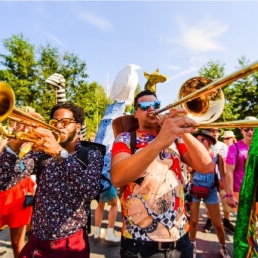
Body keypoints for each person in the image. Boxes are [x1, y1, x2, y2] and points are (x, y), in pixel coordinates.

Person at [111, 89, 216, 258]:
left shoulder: (175, 138)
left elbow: (207, 166)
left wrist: (181, 131)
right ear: (135, 113)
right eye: (145, 106)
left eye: (156, 105)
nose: (152, 109)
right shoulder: (125, 138)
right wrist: (160, 142)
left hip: (180, 237)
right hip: (139, 241)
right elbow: (117, 177)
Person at [0, 102, 104, 258]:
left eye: (66, 122)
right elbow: (4, 181)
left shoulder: (90, 154)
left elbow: (90, 191)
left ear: (77, 126)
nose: (59, 126)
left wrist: (59, 154)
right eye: (55, 122)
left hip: (70, 245)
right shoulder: (42, 154)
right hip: (36, 243)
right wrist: (15, 143)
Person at [189, 130, 231, 258]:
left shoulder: (216, 156)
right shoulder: (192, 155)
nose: (199, 142)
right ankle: (192, 246)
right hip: (195, 190)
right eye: (198, 139)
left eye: (203, 140)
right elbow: (189, 171)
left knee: (217, 223)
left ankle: (223, 247)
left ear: (209, 141)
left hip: (211, 190)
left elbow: (223, 175)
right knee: (194, 221)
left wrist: (229, 194)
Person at [226, 116, 257, 213]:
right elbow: (229, 172)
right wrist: (230, 195)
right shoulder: (234, 148)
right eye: (246, 129)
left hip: (256, 190)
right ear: (241, 130)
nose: (250, 132)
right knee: (243, 223)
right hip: (241, 191)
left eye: (253, 129)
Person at [208, 127, 235, 234]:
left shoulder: (223, 146)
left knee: (224, 199)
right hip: (209, 176)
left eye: (216, 131)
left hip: (220, 176)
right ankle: (209, 220)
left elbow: (224, 164)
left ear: (219, 134)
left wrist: (221, 178)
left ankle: (226, 221)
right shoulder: (207, 144)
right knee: (209, 200)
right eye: (212, 131)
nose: (214, 133)